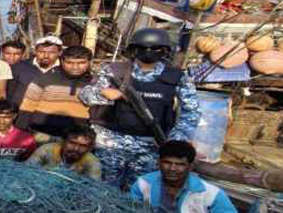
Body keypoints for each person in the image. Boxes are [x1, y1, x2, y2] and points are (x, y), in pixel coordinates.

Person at [79, 28, 201, 190]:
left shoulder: (177, 77)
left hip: (150, 146)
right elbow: (84, 95)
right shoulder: (114, 71)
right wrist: (104, 94)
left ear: (164, 51)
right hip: (110, 143)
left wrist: (173, 142)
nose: (148, 52)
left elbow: (191, 113)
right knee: (103, 190)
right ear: (134, 50)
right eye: (142, 48)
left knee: (141, 193)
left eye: (155, 48)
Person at [16, 45, 94, 139]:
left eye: (81, 63)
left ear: (89, 62)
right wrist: (20, 133)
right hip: (41, 133)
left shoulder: (94, 84)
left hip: (75, 137)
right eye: (69, 62)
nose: (75, 67)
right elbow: (27, 107)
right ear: (61, 61)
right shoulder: (45, 79)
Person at [28, 125, 102, 180]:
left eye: (83, 146)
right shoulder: (47, 150)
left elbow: (94, 188)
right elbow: (27, 170)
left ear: (90, 148)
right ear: (63, 142)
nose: (76, 149)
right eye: (72, 143)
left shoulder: (92, 163)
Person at [7, 36, 62, 110]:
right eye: (41, 52)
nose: (46, 56)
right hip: (21, 114)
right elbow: (9, 93)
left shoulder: (64, 70)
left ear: (60, 53)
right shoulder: (19, 67)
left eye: (51, 52)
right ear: (35, 51)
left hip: (51, 116)